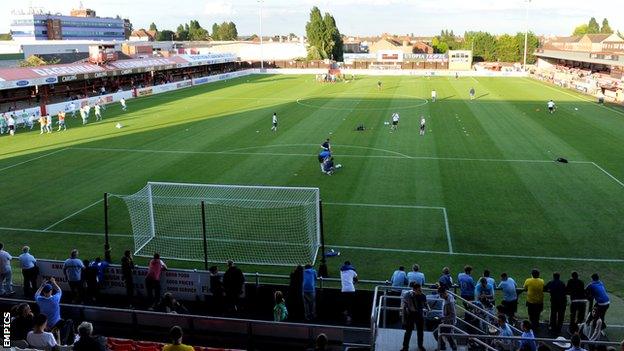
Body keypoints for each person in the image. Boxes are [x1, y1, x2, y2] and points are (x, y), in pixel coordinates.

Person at [401, 283, 429, 351]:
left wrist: (428, 308)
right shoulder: (407, 295)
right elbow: (404, 305)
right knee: (408, 331)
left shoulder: (422, 295)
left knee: (420, 331)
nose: (420, 291)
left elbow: (426, 303)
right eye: (419, 290)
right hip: (411, 315)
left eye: (420, 290)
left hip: (419, 315)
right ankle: (405, 347)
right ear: (414, 290)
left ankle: (420, 345)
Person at [434, 287, 457, 351]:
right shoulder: (448, 298)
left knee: (436, 333)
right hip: (447, 321)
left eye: (441, 295)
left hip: (449, 322)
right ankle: (451, 347)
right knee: (448, 335)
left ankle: (443, 346)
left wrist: (443, 318)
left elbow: (452, 314)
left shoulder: (449, 302)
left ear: (445, 293)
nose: (440, 296)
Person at [523, 269, 545, 333]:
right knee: (537, 314)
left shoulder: (528, 280)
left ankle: (531, 326)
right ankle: (536, 325)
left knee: (531, 315)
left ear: (532, 274)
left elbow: (524, 288)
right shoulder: (542, 281)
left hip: (531, 302)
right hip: (539, 302)